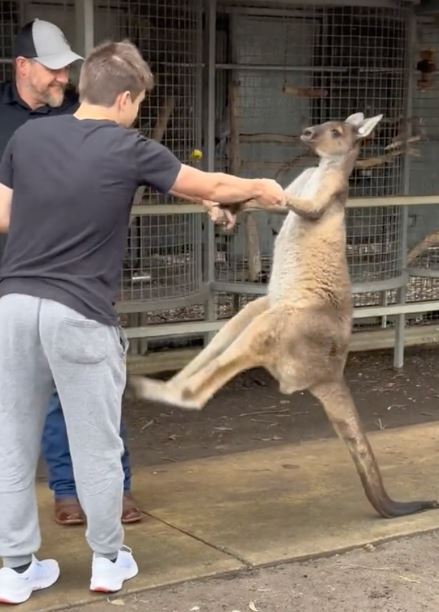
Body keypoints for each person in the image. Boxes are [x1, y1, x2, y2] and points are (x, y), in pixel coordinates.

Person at [0, 38, 285, 602]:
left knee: (11, 440)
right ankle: (108, 561)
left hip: (12, 306)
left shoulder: (28, 136)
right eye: (139, 104)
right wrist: (261, 189)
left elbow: (6, 215)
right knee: (96, 444)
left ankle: (14, 568)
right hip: (78, 311)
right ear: (126, 99)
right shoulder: (126, 145)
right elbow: (211, 185)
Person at [0, 18, 142, 526]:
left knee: (88, 387)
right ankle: (67, 491)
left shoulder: (76, 117)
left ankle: (106, 489)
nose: (63, 78)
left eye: (66, 69)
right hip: (15, 278)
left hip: (77, 279)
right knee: (23, 405)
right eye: (54, 69)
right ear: (23, 66)